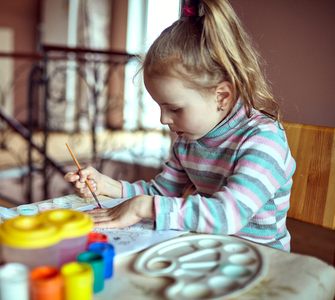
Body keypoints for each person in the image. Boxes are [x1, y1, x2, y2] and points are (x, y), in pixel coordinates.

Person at [64, 0, 296, 252]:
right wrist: (107, 186)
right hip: (208, 249)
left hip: (262, 259)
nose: (163, 120)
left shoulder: (264, 139)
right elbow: (162, 193)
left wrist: (144, 206)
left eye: (174, 109)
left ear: (222, 96)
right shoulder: (188, 140)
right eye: (160, 107)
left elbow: (229, 214)